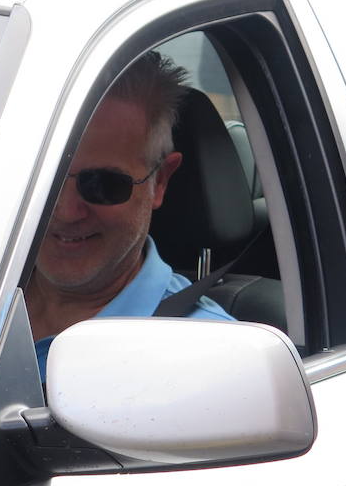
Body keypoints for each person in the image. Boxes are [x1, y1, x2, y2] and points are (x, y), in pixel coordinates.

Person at [25, 51, 232, 379]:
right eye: (43, 180)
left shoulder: (213, 360)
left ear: (160, 181)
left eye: (103, 184)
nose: (65, 211)